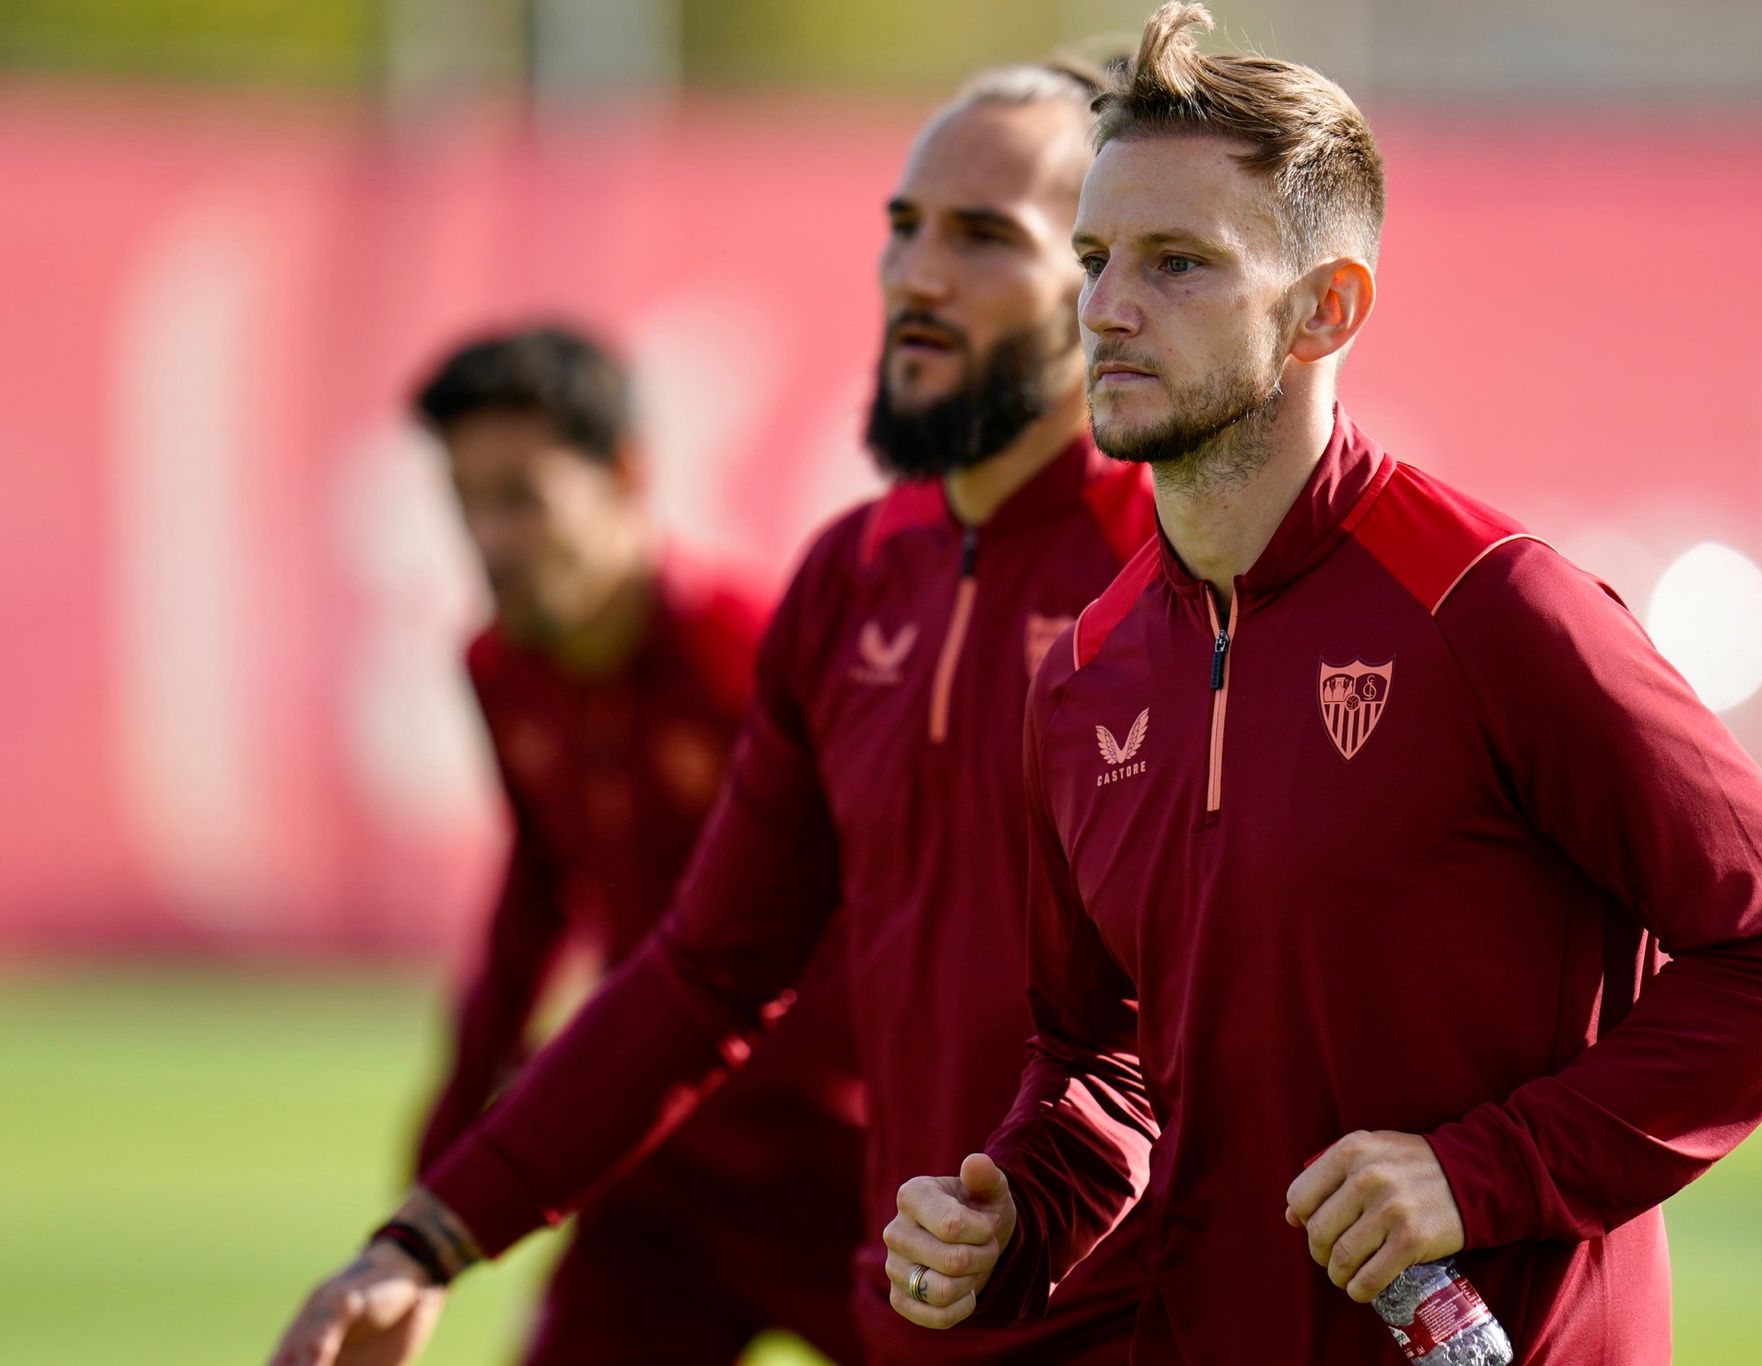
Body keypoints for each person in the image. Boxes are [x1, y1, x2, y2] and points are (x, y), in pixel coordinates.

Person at [882, 6, 1762, 1363]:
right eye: (1098, 258)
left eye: (1179, 264)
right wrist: (1012, 1227)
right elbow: (1098, 1058)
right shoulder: (1085, 672)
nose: (1108, 307)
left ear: (1324, 308)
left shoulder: (1498, 607)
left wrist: (1484, 1171)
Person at [269, 62, 1158, 1366]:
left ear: (1105, 282)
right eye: (904, 229)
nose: (915, 275)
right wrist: (429, 1229)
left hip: (1104, 1296)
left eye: (982, 237)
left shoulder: (1190, 580)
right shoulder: (848, 585)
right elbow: (702, 967)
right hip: (859, 1256)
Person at [414, 325, 867, 1365]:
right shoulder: (499, 669)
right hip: (661, 1168)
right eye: (464, 501)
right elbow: (534, 899)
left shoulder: (748, 654)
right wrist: (440, 1172)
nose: (488, 536)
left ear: (625, 473)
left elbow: (885, 908)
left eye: (521, 496)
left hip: (842, 1164)